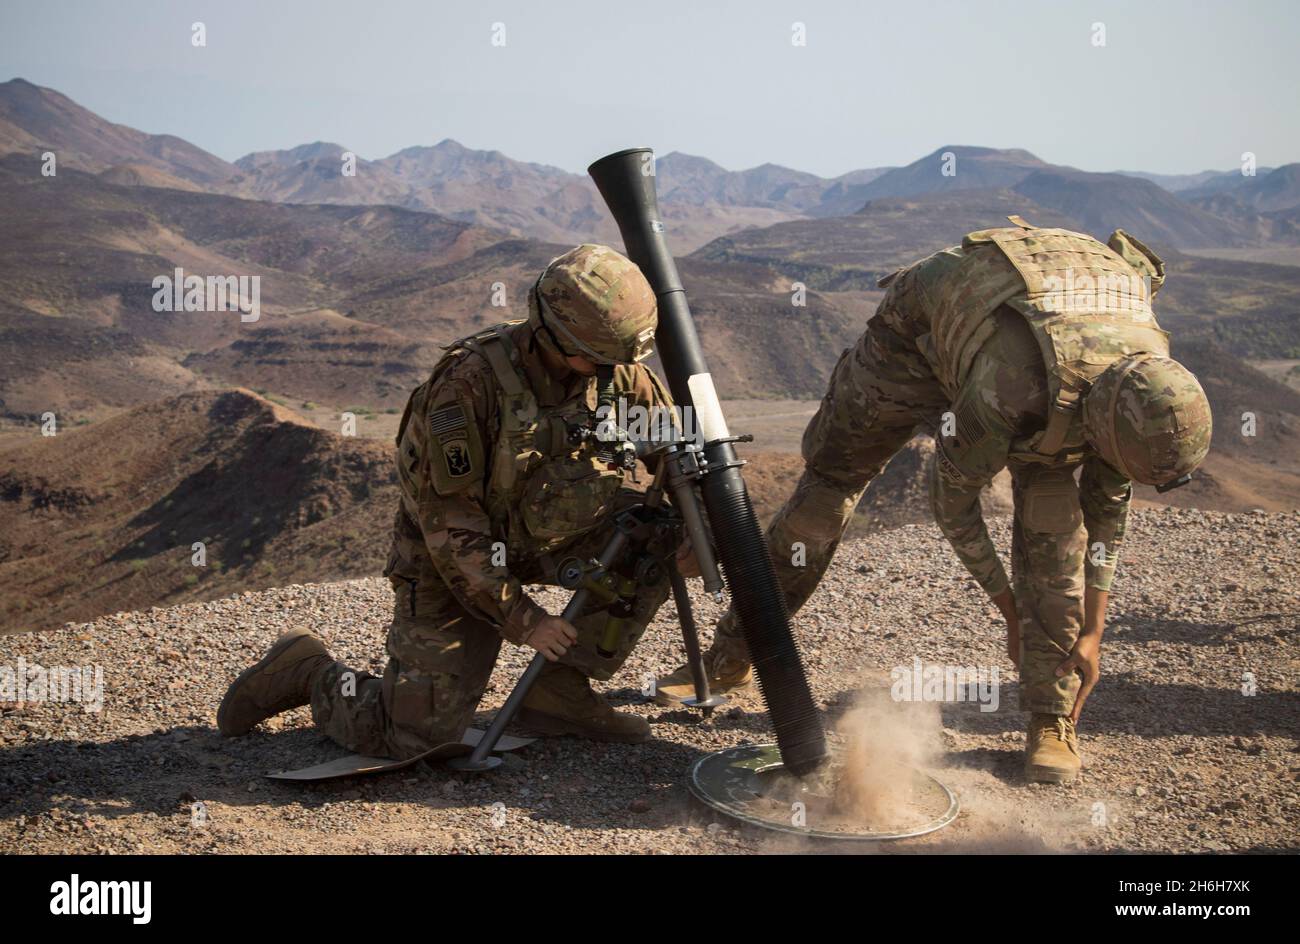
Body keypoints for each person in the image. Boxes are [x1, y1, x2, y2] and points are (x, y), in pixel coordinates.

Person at [656, 220, 1212, 783]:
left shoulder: (1144, 394)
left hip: (1033, 359)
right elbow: (953, 502)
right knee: (822, 502)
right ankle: (733, 657)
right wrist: (1011, 613)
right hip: (916, 336)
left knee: (1054, 522)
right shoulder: (1014, 390)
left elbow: (1106, 516)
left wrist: (1092, 631)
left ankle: (1051, 716)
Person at [219, 244, 683, 758]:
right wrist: (526, 620)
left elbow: (674, 451)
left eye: (617, 358)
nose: (608, 369)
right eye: (595, 357)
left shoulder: (615, 368)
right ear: (551, 331)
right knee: (413, 738)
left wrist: (700, 515)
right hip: (457, 556)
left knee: (659, 535)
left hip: (556, 532)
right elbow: (451, 527)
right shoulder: (468, 384)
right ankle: (307, 671)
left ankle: (559, 694)